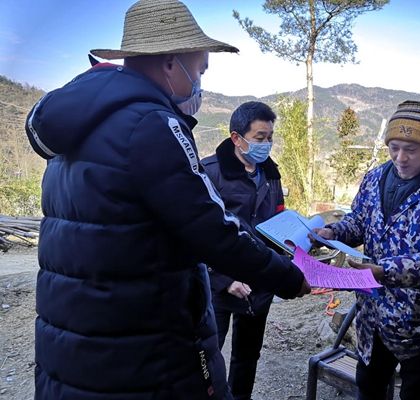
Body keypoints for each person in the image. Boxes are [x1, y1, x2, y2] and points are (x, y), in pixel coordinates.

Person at [24, 1, 309, 399]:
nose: (200, 83)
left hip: (82, 344)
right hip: (142, 351)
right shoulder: (152, 125)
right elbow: (212, 228)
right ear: (172, 62)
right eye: (200, 70)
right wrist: (290, 277)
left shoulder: (81, 127)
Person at [314, 101, 420, 400]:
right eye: (394, 147)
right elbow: (360, 220)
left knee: (417, 392)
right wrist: (334, 232)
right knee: (368, 386)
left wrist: (383, 271)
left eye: (411, 149)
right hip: (374, 312)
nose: (400, 158)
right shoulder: (375, 178)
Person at [200, 101, 284, 400]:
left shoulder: (270, 173)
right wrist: (224, 279)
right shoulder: (209, 173)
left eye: (270, 137)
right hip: (219, 288)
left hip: (259, 284)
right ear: (237, 138)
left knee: (247, 358)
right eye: (260, 138)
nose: (266, 144)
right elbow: (198, 234)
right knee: (208, 357)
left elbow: (276, 221)